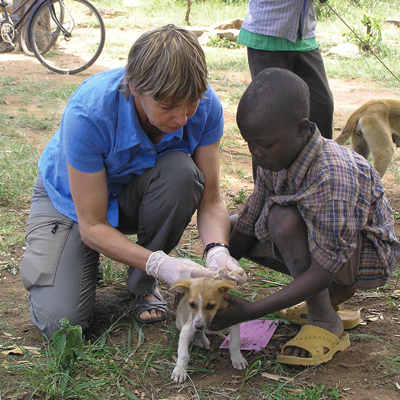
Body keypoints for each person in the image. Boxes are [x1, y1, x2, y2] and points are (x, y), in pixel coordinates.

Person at [18, 24, 246, 339]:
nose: (182, 118)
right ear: (135, 89)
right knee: (62, 325)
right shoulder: (88, 112)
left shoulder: (206, 107)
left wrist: (217, 249)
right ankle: (88, 258)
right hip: (71, 205)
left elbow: (210, 199)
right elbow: (92, 225)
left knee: (181, 173)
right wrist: (162, 263)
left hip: (134, 196)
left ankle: (142, 282)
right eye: (167, 106)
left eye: (191, 102)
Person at [208, 68, 400, 366]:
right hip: (325, 246)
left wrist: (250, 310)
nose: (255, 153)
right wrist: (206, 284)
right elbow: (247, 223)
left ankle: (324, 319)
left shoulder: (333, 175)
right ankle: (328, 297)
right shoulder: (276, 156)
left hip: (364, 257)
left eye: (264, 145)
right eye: (249, 143)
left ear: (301, 129)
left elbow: (324, 266)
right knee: (229, 228)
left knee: (283, 220)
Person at [237, 0, 334, 179]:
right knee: (269, 118)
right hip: (268, 30)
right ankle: (268, 194)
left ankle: (320, 181)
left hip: (303, 35)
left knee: (322, 108)